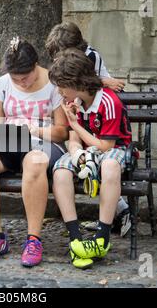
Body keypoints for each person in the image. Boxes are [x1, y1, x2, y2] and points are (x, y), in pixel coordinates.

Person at [0, 38, 69, 267]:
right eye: (16, 79)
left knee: (34, 162)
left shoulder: (53, 84)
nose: (21, 83)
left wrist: (36, 129)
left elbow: (62, 131)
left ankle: (33, 239)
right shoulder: (3, 83)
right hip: (11, 140)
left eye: (25, 77)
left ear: (36, 65)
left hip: (42, 141)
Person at [49, 48, 134, 269]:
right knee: (60, 170)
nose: (59, 92)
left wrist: (76, 124)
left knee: (109, 165)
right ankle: (75, 238)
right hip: (89, 152)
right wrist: (78, 156)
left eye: (61, 86)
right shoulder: (74, 102)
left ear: (76, 82)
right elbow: (74, 139)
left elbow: (107, 146)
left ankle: (102, 237)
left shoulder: (108, 102)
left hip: (116, 149)